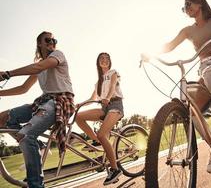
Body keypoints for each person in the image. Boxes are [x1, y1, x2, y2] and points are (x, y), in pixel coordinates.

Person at [142, 0, 211, 174]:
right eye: (184, 7)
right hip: (206, 72)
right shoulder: (188, 31)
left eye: (187, 5)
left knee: (210, 72)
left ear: (199, 4)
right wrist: (150, 53)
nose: (185, 9)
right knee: (191, 110)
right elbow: (170, 45)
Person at [0, 31, 75, 188]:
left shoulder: (57, 55)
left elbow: (38, 66)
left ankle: (36, 185)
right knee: (4, 118)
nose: (52, 42)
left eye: (54, 39)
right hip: (44, 101)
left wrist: (8, 73)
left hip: (60, 101)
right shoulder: (40, 65)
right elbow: (23, 88)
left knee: (26, 136)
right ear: (39, 44)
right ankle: (38, 147)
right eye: (47, 40)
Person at [75, 52, 124, 185]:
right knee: (78, 117)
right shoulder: (98, 82)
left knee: (102, 134)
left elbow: (113, 86)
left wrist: (107, 98)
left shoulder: (113, 72)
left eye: (107, 58)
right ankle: (96, 140)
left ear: (110, 62)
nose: (105, 60)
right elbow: (93, 98)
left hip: (115, 105)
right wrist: (80, 104)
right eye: (102, 58)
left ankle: (115, 169)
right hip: (104, 108)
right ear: (98, 62)